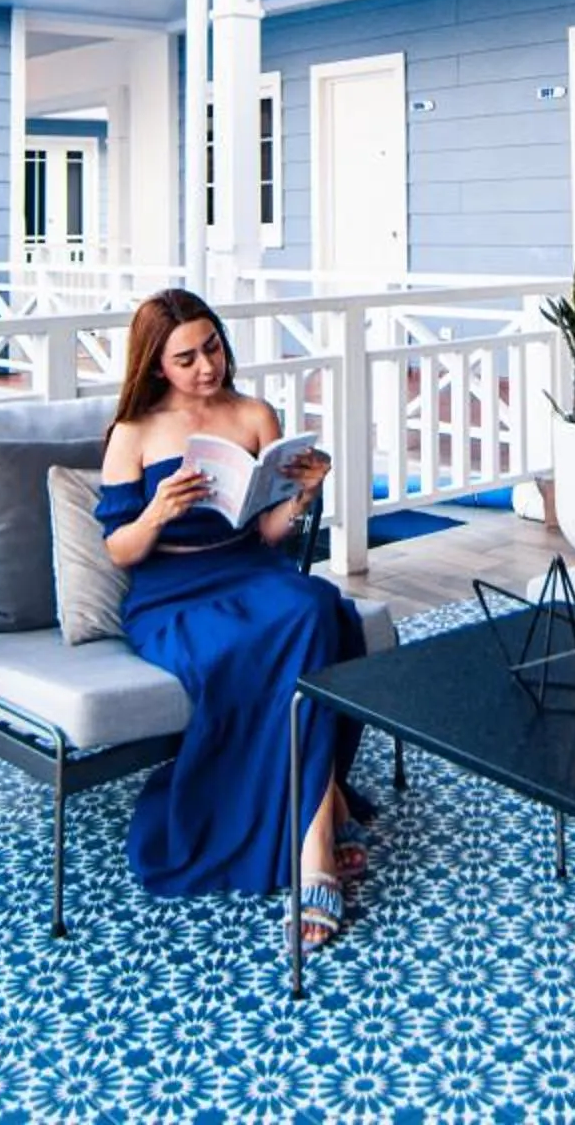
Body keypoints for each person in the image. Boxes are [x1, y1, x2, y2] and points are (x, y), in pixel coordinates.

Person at [94, 288, 372, 948]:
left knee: (313, 605)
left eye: (212, 347)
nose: (205, 367)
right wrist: (156, 512)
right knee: (302, 623)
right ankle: (319, 833)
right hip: (172, 594)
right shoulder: (132, 434)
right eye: (185, 358)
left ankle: (312, 841)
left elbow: (271, 533)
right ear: (156, 364)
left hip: (249, 569)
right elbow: (118, 548)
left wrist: (305, 490)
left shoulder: (254, 414)